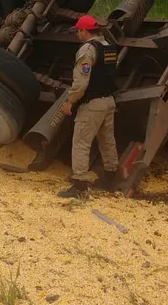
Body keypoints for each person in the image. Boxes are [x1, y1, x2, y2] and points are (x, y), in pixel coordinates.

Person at [57, 14, 120, 198]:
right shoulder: (109, 46)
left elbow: (81, 83)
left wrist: (70, 101)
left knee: (81, 143)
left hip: (92, 104)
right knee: (107, 141)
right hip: (108, 101)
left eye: (78, 31)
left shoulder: (87, 50)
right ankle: (110, 179)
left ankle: (80, 186)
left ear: (85, 31)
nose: (78, 35)